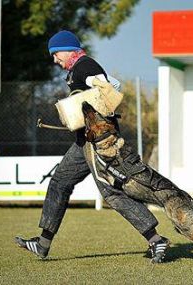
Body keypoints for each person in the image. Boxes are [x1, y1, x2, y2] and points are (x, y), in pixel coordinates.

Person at [15, 30, 169, 263]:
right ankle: (43, 243)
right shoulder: (78, 69)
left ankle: (156, 240)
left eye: (56, 54)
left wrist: (99, 100)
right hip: (83, 143)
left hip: (96, 143)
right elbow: (108, 84)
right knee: (59, 182)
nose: (55, 59)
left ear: (69, 50)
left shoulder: (85, 67)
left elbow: (107, 88)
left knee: (111, 193)